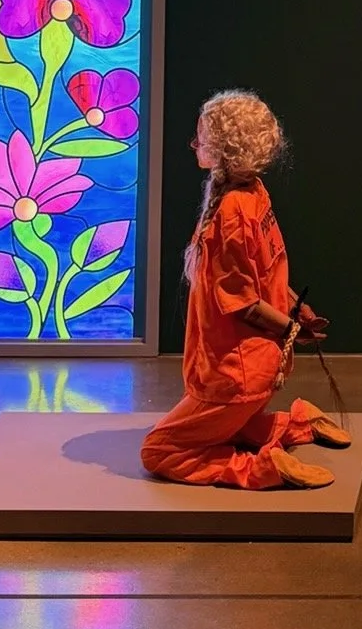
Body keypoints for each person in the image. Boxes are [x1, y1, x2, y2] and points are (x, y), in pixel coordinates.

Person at [140, 91, 350, 489]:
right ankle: (296, 424)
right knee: (228, 426)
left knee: (159, 450)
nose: (194, 144)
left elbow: (245, 304)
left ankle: (263, 468)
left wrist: (291, 328)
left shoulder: (230, 212)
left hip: (234, 376)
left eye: (202, 138)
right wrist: (294, 312)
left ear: (223, 150)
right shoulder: (255, 194)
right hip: (255, 370)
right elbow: (265, 271)